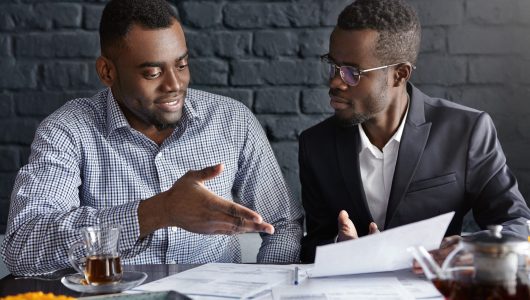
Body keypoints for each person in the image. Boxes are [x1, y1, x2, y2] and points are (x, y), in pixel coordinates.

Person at [1, 0, 303, 276]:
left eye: (181, 65)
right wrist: (159, 211)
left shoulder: (232, 121)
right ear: (107, 72)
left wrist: (262, 288)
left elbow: (284, 224)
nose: (174, 84)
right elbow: (23, 246)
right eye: (152, 73)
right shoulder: (68, 131)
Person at [299, 0, 530, 264]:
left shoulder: (466, 132)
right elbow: (313, 244)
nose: (335, 81)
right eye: (333, 65)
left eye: (352, 72)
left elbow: (518, 224)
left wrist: (469, 248)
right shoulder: (316, 145)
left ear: (400, 74)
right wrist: (341, 248)